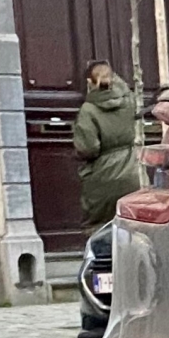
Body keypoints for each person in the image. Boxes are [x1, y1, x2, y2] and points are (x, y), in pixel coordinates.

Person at [72, 61, 142, 233]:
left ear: (89, 83)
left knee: (99, 228)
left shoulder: (88, 110)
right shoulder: (128, 101)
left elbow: (88, 148)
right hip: (130, 173)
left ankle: (104, 260)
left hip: (101, 176)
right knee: (129, 224)